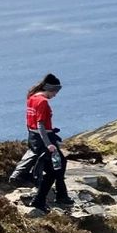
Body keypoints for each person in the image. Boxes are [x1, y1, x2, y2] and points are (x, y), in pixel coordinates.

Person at [23, 74, 72, 214]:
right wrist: (48, 144)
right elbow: (41, 125)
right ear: (50, 89)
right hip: (44, 139)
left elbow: (30, 122)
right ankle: (39, 200)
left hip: (34, 138)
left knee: (60, 163)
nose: (55, 95)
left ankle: (62, 195)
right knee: (52, 171)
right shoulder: (43, 102)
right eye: (55, 92)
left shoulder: (31, 98)